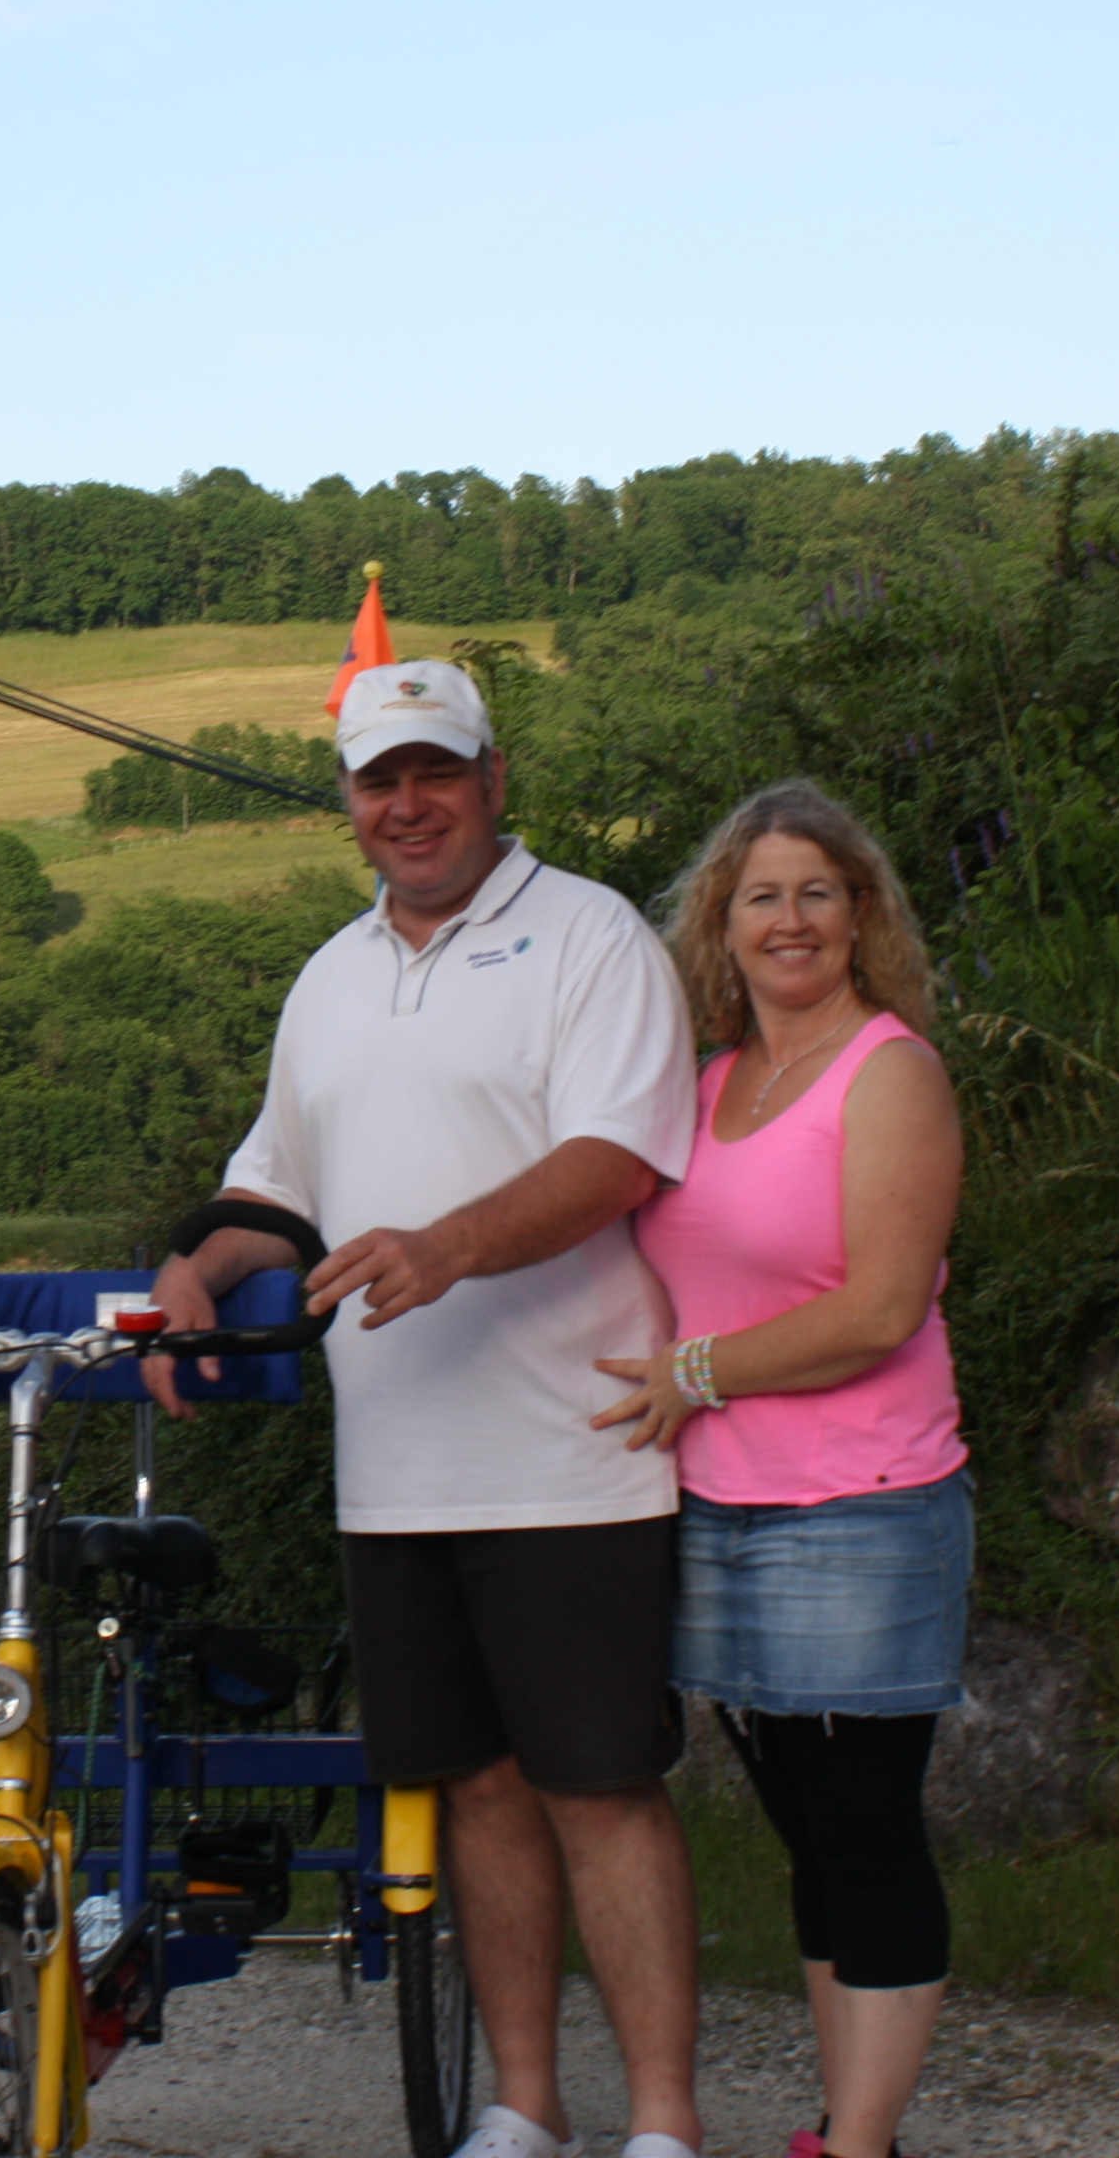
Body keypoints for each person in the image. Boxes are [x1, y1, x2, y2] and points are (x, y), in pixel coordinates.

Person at [142, 660, 707, 2158]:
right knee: (475, 1791)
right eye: (378, 780)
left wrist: (446, 1244)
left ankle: (664, 2124)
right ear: (347, 800)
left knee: (603, 1790)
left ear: (492, 777)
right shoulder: (328, 975)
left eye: (433, 772)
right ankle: (525, 2107)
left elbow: (620, 1158)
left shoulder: (592, 936)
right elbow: (279, 1185)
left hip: (572, 1454)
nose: (407, 804)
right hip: (393, 1471)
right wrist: (194, 1265)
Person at [590, 780, 970, 2158]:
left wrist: (693, 1378)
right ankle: (841, 2123)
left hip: (857, 1511)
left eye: (818, 890)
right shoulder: (700, 1088)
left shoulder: (892, 1073)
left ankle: (858, 2144)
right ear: (722, 926)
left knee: (864, 1830)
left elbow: (878, 1308)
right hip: (719, 1512)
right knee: (809, 1835)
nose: (790, 918)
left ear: (860, 915)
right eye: (763, 896)